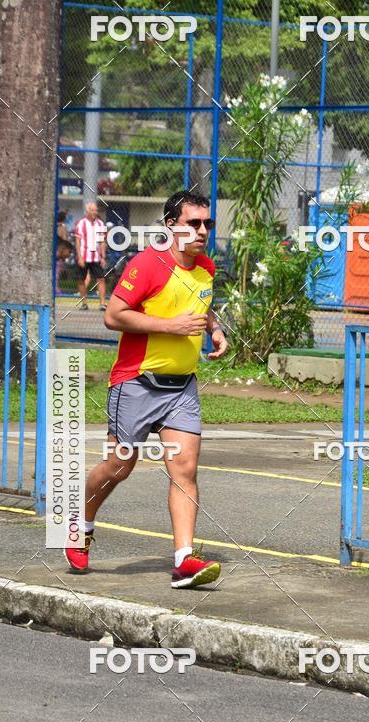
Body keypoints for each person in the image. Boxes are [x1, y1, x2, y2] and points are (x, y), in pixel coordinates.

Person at [65, 190, 229, 588]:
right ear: (171, 225)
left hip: (181, 389)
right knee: (119, 466)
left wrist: (215, 328)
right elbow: (113, 315)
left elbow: (199, 303)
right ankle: (79, 523)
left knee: (185, 470)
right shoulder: (148, 264)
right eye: (193, 223)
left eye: (207, 223)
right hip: (136, 383)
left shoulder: (205, 267)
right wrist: (170, 327)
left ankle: (184, 561)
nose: (202, 230)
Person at [74, 202, 108, 311]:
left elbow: (102, 241)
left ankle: (102, 303)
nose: (95, 212)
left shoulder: (100, 224)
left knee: (101, 279)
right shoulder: (81, 223)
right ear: (88, 211)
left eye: (96, 210)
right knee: (81, 280)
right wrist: (79, 257)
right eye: (92, 210)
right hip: (84, 257)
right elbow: (78, 241)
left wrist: (103, 257)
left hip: (96, 258)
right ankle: (84, 303)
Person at [55, 211, 70, 295]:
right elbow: (65, 241)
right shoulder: (62, 228)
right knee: (57, 273)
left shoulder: (54, 227)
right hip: (60, 253)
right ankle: (56, 291)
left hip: (54, 251)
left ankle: (55, 289)